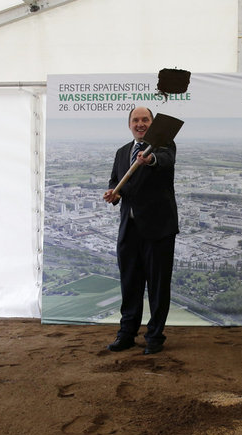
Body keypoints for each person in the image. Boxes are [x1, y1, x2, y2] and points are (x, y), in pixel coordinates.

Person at [102, 107, 178, 355]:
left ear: (153, 124)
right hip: (129, 230)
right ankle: (126, 333)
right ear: (129, 125)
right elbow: (116, 181)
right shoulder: (123, 152)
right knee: (130, 284)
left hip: (158, 229)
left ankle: (155, 336)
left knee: (157, 286)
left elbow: (165, 162)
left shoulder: (163, 146)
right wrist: (114, 193)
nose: (140, 123)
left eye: (145, 119)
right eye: (136, 120)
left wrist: (151, 160)